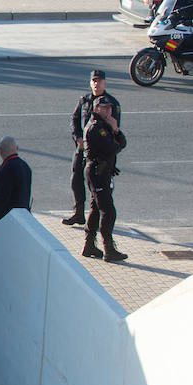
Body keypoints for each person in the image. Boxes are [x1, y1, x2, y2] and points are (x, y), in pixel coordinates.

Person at [63, 69, 121, 226]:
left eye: (99, 80)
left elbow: (114, 130)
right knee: (76, 178)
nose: (96, 83)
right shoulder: (85, 100)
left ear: (105, 83)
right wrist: (78, 138)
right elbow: (75, 119)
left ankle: (95, 217)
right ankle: (79, 212)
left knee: (97, 186)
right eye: (94, 81)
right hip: (83, 148)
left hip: (99, 153)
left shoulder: (111, 103)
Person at [82, 97, 128, 262]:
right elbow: (112, 149)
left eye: (110, 108)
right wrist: (114, 130)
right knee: (108, 211)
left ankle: (89, 245)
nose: (109, 111)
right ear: (97, 108)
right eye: (105, 108)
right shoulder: (97, 128)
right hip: (97, 173)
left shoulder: (104, 126)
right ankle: (109, 248)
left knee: (95, 209)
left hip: (101, 172)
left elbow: (122, 142)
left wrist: (115, 132)